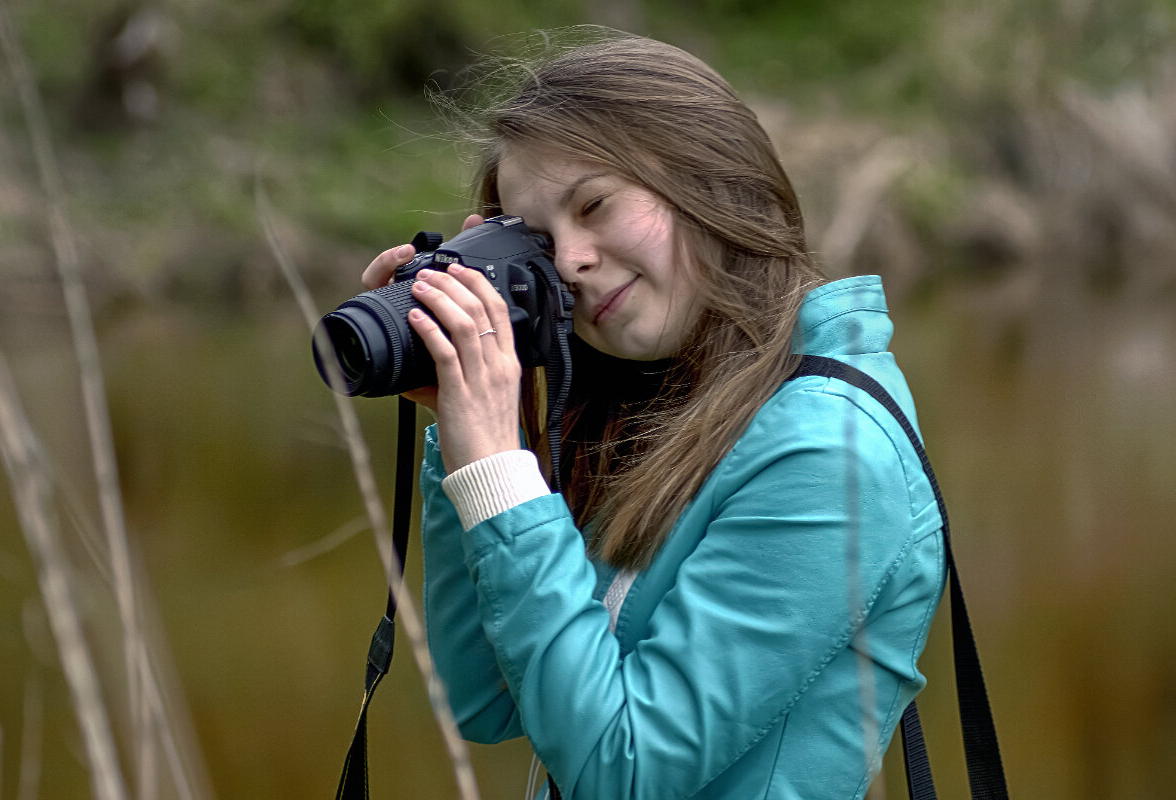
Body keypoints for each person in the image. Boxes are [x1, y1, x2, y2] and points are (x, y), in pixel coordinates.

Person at [361, 31, 945, 800]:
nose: (569, 261)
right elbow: (485, 700)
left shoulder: (830, 453)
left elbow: (622, 771)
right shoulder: (664, 408)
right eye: (539, 242)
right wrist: (466, 432)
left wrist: (499, 472)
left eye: (594, 204)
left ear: (709, 172)